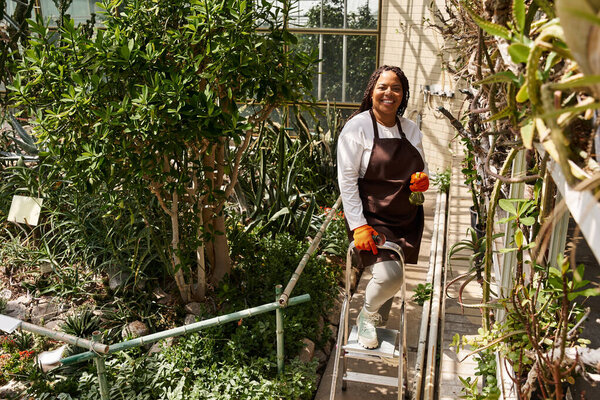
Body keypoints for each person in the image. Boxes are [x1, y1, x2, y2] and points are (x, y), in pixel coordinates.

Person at [337, 65, 429, 349]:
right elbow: (347, 181)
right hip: (372, 216)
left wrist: (422, 181)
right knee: (391, 275)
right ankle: (366, 316)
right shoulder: (357, 128)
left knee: (390, 275)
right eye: (383, 87)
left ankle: (374, 318)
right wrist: (358, 225)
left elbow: (422, 168)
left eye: (396, 88)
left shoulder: (410, 129)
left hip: (405, 216)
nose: (389, 93)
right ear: (372, 92)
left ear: (403, 95)